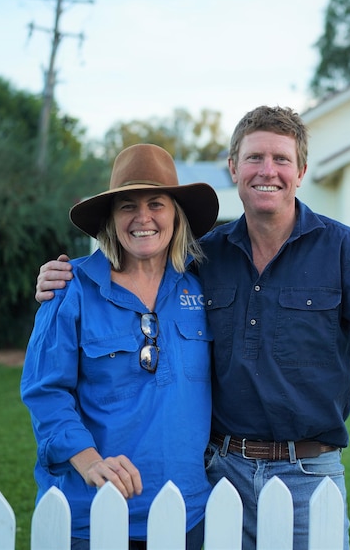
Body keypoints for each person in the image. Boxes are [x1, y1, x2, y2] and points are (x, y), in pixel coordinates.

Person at [35, 106, 350, 549]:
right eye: (254, 157)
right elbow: (130, 285)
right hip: (221, 477)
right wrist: (62, 276)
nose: (268, 170)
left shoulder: (347, 253)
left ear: (300, 171)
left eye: (282, 159)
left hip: (309, 476)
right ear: (233, 168)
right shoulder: (205, 258)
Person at [22, 143, 219, 549]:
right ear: (110, 219)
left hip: (189, 515)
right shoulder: (69, 288)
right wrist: (90, 463)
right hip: (93, 515)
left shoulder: (202, 288)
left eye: (157, 203)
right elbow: (45, 392)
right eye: (127, 205)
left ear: (176, 215)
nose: (142, 217)